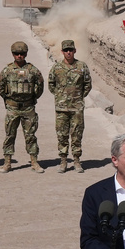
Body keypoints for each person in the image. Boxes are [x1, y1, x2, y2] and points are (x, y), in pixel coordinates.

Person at [0, 41, 45, 172]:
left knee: (30, 135)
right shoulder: (7, 70)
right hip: (12, 108)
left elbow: (40, 87)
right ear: (13, 54)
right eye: (17, 54)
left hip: (28, 108)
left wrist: (32, 99)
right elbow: (1, 87)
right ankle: (7, 163)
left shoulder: (33, 70)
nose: (19, 56)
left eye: (22, 53)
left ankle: (34, 162)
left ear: (26, 54)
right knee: (9, 135)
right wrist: (9, 100)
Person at [48, 39, 92, 173]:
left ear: (74, 51)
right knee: (62, 135)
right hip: (61, 108)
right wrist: (60, 96)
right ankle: (63, 161)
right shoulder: (56, 68)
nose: (68, 52)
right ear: (62, 52)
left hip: (77, 108)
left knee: (77, 134)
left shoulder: (81, 66)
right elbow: (51, 84)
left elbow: (87, 84)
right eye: (66, 50)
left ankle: (77, 161)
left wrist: (78, 97)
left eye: (70, 50)